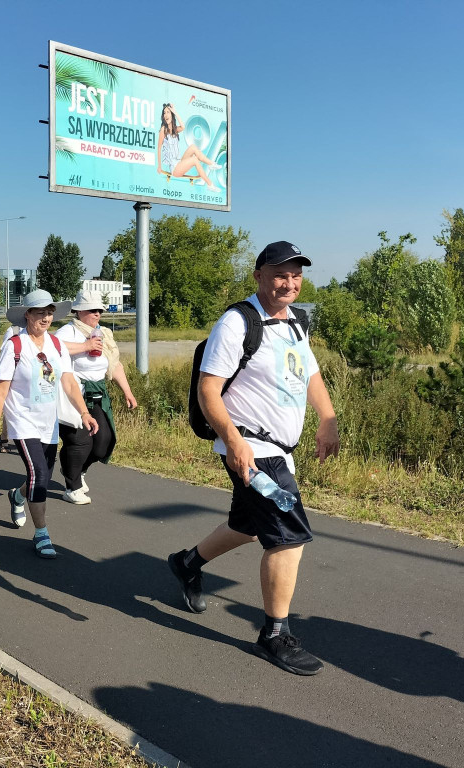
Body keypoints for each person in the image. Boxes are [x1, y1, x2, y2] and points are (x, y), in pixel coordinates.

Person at [167, 241, 340, 676]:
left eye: (296, 275)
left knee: (247, 526)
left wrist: (328, 417)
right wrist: (233, 440)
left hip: (279, 449)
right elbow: (209, 389)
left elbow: (310, 373)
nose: (290, 283)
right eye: (281, 274)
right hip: (251, 447)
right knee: (289, 537)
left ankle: (188, 563)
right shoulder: (237, 322)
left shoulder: (295, 323)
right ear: (259, 275)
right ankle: (274, 635)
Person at [0, 290, 98, 559]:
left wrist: (83, 413)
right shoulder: (15, 346)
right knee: (40, 476)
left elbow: (68, 381)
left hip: (48, 423)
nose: (46, 317)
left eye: (49, 312)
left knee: (40, 477)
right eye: (40, 312)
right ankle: (42, 533)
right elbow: (0, 392)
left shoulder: (56, 346)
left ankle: (18, 496)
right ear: (27, 315)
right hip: (22, 421)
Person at [54, 289, 138, 503]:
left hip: (98, 392)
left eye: (99, 310)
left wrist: (127, 392)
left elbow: (114, 364)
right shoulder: (69, 331)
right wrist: (85, 346)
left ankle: (77, 470)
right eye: (92, 310)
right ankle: (71, 487)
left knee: (103, 442)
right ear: (79, 311)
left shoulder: (104, 333)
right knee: (80, 442)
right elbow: (53, 348)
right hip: (75, 394)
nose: (97, 314)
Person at [156, 103, 220, 190]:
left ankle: (211, 164)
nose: (166, 115)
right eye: (164, 113)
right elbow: (159, 147)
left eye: (168, 112)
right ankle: (210, 184)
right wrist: (159, 166)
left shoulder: (175, 130)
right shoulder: (164, 129)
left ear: (172, 115)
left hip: (179, 162)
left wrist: (175, 112)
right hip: (174, 169)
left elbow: (183, 127)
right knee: (194, 160)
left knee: (193, 147)